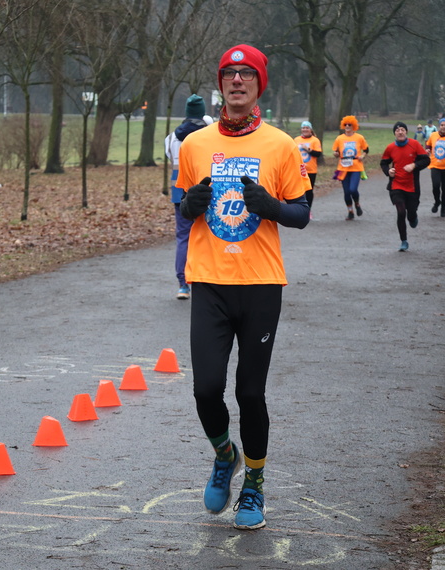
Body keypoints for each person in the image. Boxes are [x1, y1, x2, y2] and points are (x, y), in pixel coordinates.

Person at [177, 43, 310, 531]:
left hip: (260, 284)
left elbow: (301, 213)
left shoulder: (280, 145)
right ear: (220, 84)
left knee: (250, 393)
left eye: (246, 75)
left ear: (258, 86)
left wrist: (270, 206)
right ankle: (224, 454)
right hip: (210, 280)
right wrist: (189, 204)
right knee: (206, 389)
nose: (237, 81)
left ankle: (253, 483)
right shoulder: (194, 145)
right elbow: (183, 208)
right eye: (229, 74)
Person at [164, 94, 213, 300]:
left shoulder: (172, 137)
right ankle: (207, 279)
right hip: (207, 190)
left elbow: (168, 155)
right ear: (202, 112)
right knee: (209, 235)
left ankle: (183, 284)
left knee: (183, 237)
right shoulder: (210, 134)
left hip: (179, 190)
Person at [380, 122, 430, 251]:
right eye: (397, 130)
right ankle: (404, 241)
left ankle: (413, 217)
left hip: (412, 186)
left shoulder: (414, 144)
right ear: (395, 133)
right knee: (401, 212)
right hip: (396, 185)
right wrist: (388, 171)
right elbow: (384, 163)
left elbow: (426, 160)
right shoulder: (390, 148)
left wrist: (414, 165)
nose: (400, 132)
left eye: (402, 130)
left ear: (406, 132)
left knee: (411, 212)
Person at [332, 116, 369, 220]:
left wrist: (362, 156)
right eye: (345, 125)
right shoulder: (339, 138)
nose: (347, 126)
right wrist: (335, 154)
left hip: (356, 166)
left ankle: (357, 203)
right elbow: (336, 151)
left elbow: (366, 149)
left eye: (350, 124)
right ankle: (350, 211)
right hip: (342, 167)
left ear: (354, 126)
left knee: (353, 189)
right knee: (346, 192)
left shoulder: (359, 137)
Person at [292, 120, 323, 214]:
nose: (305, 129)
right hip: (298, 170)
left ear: (310, 130)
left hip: (310, 170)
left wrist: (308, 149)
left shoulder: (314, 140)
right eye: (303, 128)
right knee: (298, 191)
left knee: (309, 191)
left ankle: (307, 211)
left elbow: (318, 154)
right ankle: (297, 210)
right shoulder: (296, 140)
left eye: (307, 128)